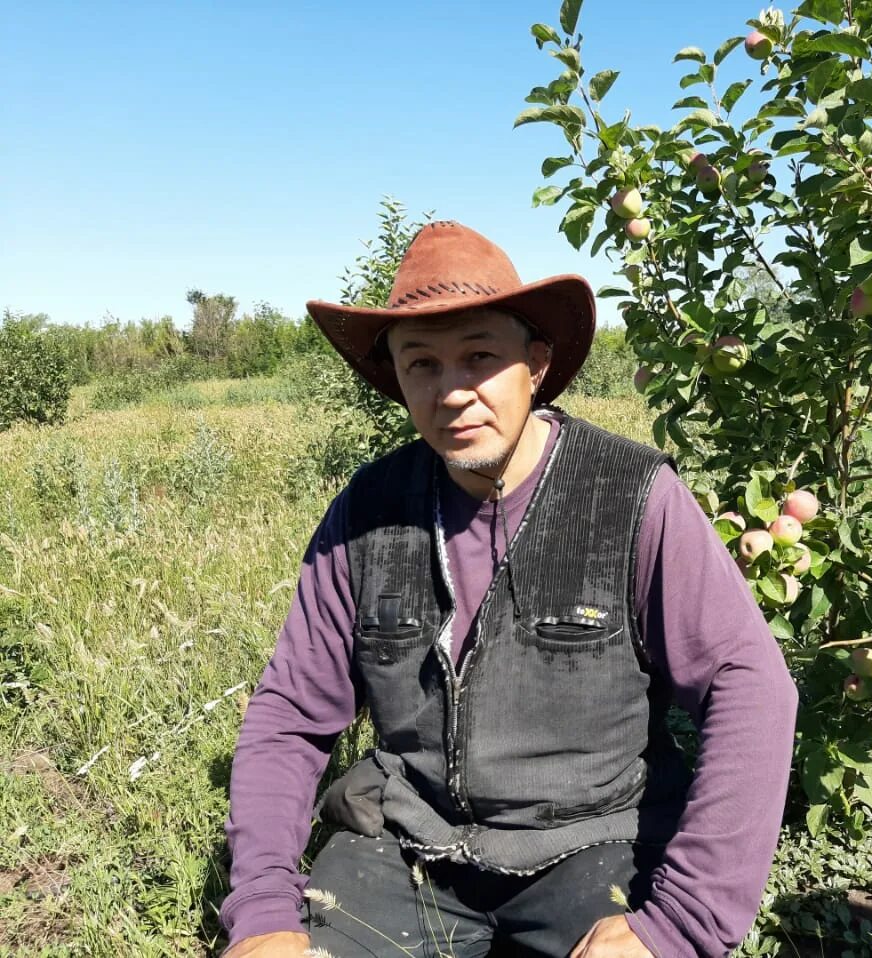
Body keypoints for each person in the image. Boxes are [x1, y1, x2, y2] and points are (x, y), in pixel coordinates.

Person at [219, 220, 799, 957]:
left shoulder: (629, 495)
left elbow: (749, 685)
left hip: (596, 843)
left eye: (480, 356)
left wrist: (679, 926)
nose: (452, 391)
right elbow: (292, 714)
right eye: (421, 363)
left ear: (536, 362)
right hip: (408, 846)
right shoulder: (368, 512)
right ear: (396, 378)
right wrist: (264, 911)